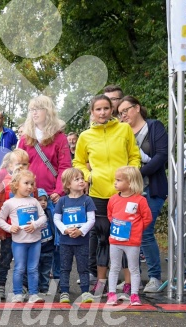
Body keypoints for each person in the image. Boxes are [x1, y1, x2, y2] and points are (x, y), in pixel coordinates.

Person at [73, 94, 140, 296]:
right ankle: (101, 282)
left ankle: (128, 284)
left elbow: (134, 156)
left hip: (124, 195)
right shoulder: (85, 136)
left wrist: (131, 177)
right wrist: (87, 175)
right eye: (98, 109)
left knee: (126, 239)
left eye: (106, 108)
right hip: (98, 194)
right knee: (103, 239)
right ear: (92, 113)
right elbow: (77, 162)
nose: (102, 113)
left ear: (112, 110)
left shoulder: (124, 129)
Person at [117, 95, 168, 293]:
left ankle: (154, 277)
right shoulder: (121, 131)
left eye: (126, 110)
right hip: (129, 192)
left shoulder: (154, 127)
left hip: (151, 189)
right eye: (120, 113)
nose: (123, 115)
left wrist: (136, 174)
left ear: (137, 108)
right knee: (127, 234)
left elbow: (161, 156)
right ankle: (132, 279)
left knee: (145, 231)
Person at [18, 95, 71, 283]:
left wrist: (59, 191)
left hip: (51, 196)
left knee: (54, 239)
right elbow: (19, 166)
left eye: (38, 109)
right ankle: (30, 280)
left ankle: (56, 278)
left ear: (47, 112)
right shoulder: (26, 138)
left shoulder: (60, 138)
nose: (34, 113)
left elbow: (65, 166)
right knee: (30, 237)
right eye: (32, 109)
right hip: (29, 195)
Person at [0, 170, 47, 303]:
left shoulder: (35, 201)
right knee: (19, 268)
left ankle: (33, 294)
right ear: (16, 185)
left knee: (33, 268)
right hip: (18, 242)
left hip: (35, 241)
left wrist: (35, 225)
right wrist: (9, 228)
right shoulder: (9, 203)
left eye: (32, 184)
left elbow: (43, 217)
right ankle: (17, 293)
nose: (30, 186)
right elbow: (0, 219)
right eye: (26, 183)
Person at [106, 166, 152, 306]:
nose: (115, 183)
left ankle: (134, 295)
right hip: (115, 240)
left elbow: (147, 218)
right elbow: (110, 215)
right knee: (114, 267)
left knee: (133, 268)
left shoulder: (140, 200)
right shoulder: (113, 199)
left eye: (119, 180)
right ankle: (112, 293)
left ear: (130, 182)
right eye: (115, 180)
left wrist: (136, 230)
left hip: (132, 242)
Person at [53, 168, 96, 304]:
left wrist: (81, 231)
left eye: (82, 178)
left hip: (82, 241)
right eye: (76, 179)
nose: (81, 181)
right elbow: (56, 219)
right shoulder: (62, 201)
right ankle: (64, 291)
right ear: (67, 184)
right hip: (66, 241)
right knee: (65, 267)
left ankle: (85, 292)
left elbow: (91, 220)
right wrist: (65, 230)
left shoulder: (87, 200)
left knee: (83, 267)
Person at [0, 148, 29, 299]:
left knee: (24, 261)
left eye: (25, 164)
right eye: (18, 164)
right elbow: (0, 208)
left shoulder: (30, 183)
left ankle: (23, 287)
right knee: (5, 259)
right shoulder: (5, 183)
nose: (22, 167)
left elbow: (35, 202)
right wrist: (1, 231)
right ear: (10, 166)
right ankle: (1, 285)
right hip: (9, 231)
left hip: (26, 231)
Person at [36, 188, 55, 296]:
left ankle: (44, 288)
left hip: (49, 247)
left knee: (46, 270)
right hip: (37, 247)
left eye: (45, 200)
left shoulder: (50, 213)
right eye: (40, 200)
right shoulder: (33, 214)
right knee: (36, 269)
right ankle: (35, 288)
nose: (43, 202)